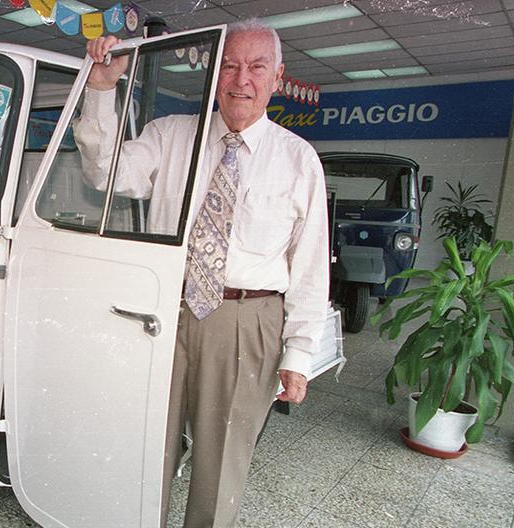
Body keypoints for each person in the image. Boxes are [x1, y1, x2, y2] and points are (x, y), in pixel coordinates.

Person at [74, 19, 329, 527]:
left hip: (246, 321)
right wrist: (102, 90)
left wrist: (299, 354)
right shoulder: (170, 135)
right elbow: (106, 175)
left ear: (277, 77)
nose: (241, 79)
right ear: (214, 74)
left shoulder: (298, 160)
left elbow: (310, 267)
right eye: (230, 65)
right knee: (146, 446)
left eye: (256, 67)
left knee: (221, 463)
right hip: (161, 312)